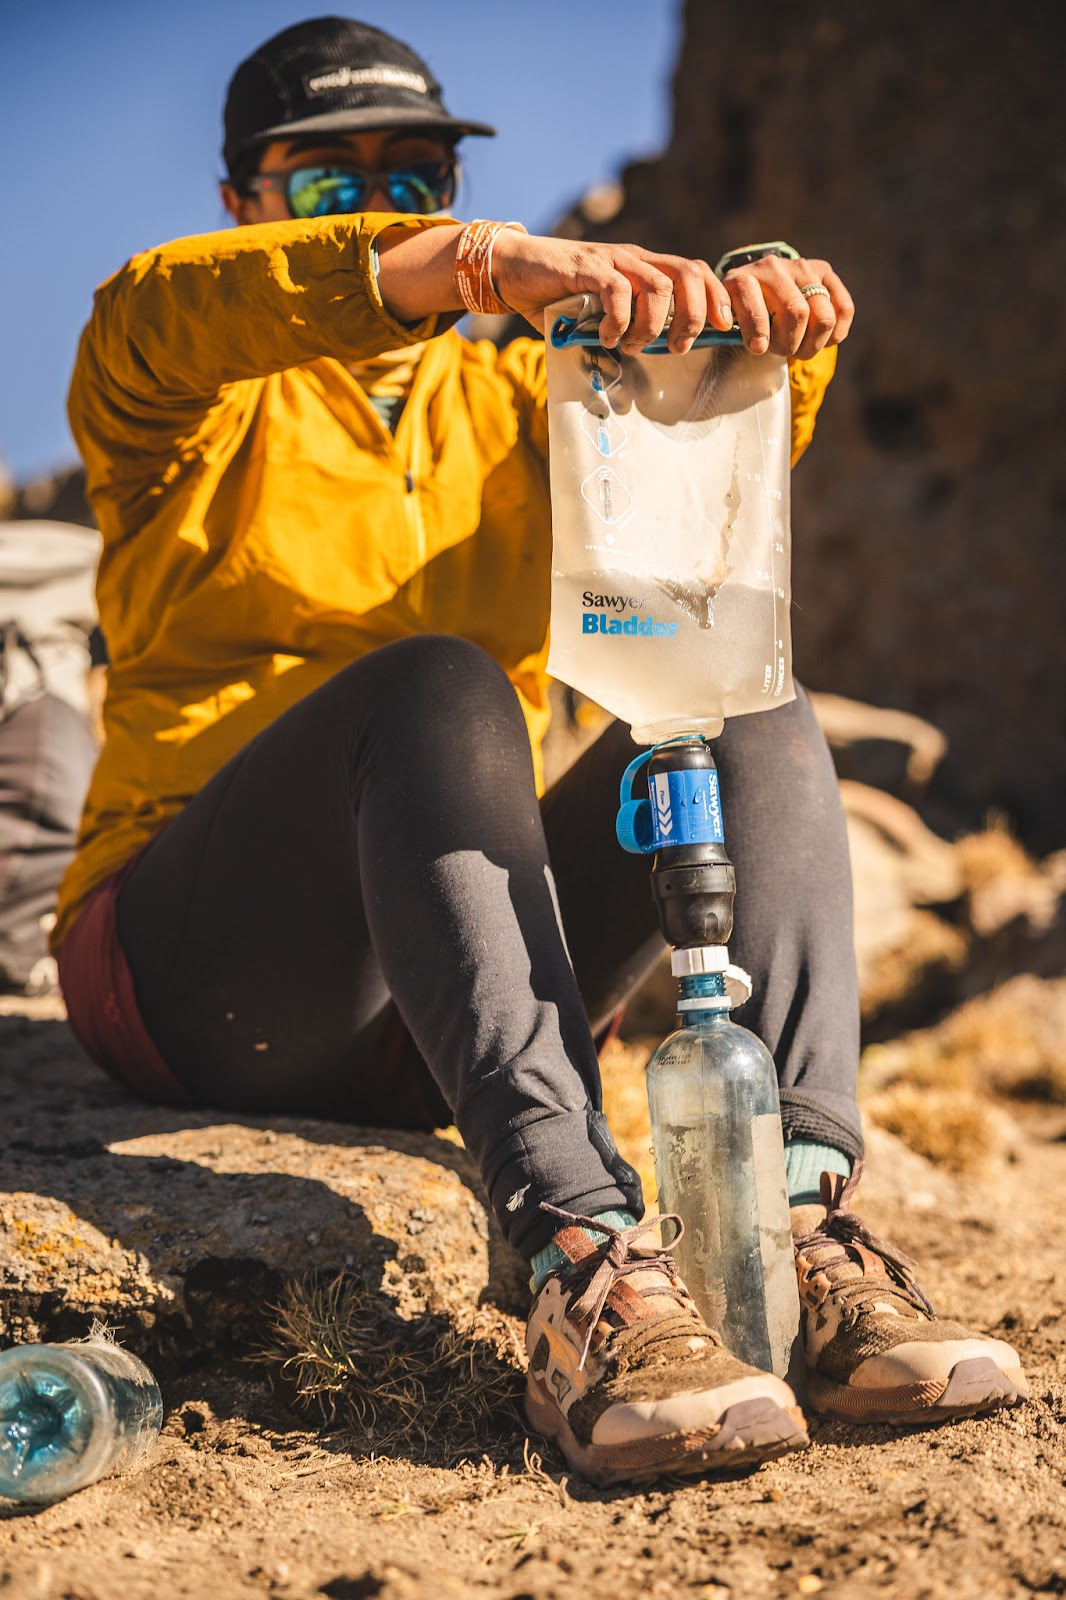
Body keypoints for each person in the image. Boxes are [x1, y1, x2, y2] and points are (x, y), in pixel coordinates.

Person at [53, 16, 1028, 1484]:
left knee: (738, 693)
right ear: (245, 203)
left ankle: (798, 1218)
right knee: (436, 686)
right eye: (327, 184)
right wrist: (470, 265)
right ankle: (578, 1256)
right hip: (203, 968)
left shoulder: (531, 402)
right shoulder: (177, 401)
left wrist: (763, 321)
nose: (380, 202)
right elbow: (162, 307)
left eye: (416, 176)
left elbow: (701, 459)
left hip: (450, 978)